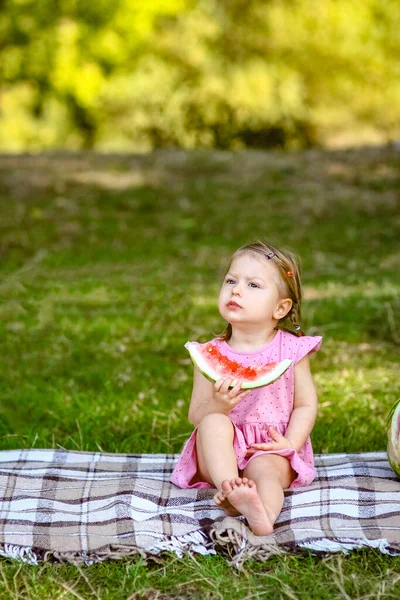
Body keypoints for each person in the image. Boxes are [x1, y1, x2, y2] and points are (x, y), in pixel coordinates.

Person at [170, 241, 322, 536]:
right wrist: (219, 406)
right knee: (213, 422)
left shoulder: (291, 350)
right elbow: (196, 415)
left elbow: (305, 405)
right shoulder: (208, 353)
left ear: (281, 307)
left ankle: (262, 514)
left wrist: (290, 443)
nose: (236, 290)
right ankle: (230, 489)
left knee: (266, 473)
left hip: (270, 446)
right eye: (231, 280)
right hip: (217, 455)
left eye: (253, 285)